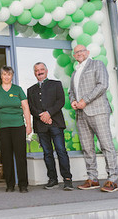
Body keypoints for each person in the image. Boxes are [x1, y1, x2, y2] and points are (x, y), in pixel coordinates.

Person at [69, 45, 118, 192]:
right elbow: (72, 91)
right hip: (81, 114)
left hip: (98, 111)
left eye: (81, 51)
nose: (79, 53)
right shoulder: (74, 73)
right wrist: (73, 100)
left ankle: (112, 179)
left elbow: (102, 85)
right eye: (76, 52)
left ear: (87, 53)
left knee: (106, 145)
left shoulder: (97, 64)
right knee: (87, 148)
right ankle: (92, 178)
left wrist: (85, 100)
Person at [27, 62, 73, 191]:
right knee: (47, 153)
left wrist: (48, 113)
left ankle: (67, 179)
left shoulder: (56, 84)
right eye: (37, 70)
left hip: (56, 124)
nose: (39, 72)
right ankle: (52, 179)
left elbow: (60, 101)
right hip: (41, 125)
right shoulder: (31, 90)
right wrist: (42, 116)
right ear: (34, 73)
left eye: (42, 69)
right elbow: (30, 107)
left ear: (46, 71)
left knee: (61, 151)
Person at [0, 66, 32, 193]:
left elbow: (25, 107)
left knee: (20, 156)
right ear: (1, 76)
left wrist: (29, 124)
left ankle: (23, 185)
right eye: (4, 74)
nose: (6, 77)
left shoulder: (18, 89)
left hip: (18, 126)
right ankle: (9, 184)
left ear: (12, 76)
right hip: (2, 127)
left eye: (9, 74)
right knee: (6, 156)